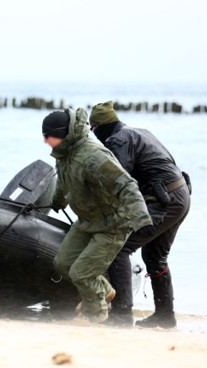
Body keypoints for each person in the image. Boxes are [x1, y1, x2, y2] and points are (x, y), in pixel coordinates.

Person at [43, 108, 153, 323]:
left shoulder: (94, 156)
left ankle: (95, 313)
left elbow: (127, 186)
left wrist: (141, 218)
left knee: (81, 273)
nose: (47, 142)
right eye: (45, 137)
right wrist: (56, 202)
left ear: (65, 134)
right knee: (63, 263)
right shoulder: (63, 154)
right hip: (88, 220)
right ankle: (104, 290)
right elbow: (64, 182)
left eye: (51, 137)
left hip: (114, 224)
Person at [90, 101, 191, 328]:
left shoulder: (118, 140)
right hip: (180, 196)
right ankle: (165, 317)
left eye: (92, 130)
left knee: (119, 247)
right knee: (155, 257)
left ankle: (122, 315)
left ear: (98, 127)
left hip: (164, 201)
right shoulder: (140, 132)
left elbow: (119, 180)